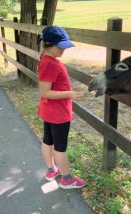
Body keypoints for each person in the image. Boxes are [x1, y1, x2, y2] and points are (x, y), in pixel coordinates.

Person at [36, 26, 86, 189]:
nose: (64, 49)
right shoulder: (50, 64)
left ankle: (52, 170)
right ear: (49, 45)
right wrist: (69, 94)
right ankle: (67, 178)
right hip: (57, 113)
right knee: (60, 148)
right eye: (61, 46)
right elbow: (45, 92)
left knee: (47, 141)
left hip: (49, 111)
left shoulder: (46, 60)